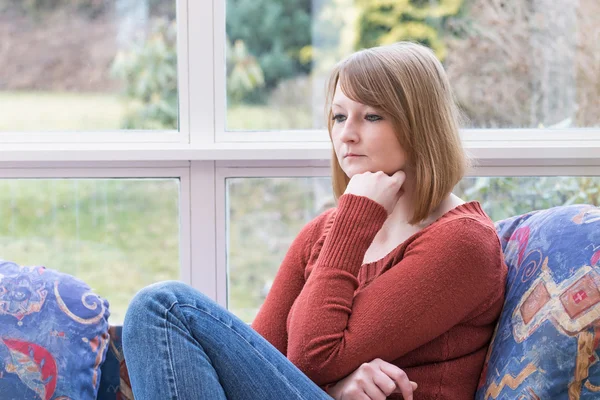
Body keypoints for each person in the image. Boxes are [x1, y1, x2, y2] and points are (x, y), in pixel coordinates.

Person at [122, 41, 507, 400]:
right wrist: (337, 388)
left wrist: (355, 221)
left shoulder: (462, 243)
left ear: (421, 125)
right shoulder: (326, 232)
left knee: (164, 307)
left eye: (371, 116)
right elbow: (262, 363)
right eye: (339, 116)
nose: (347, 135)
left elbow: (309, 357)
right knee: (153, 312)